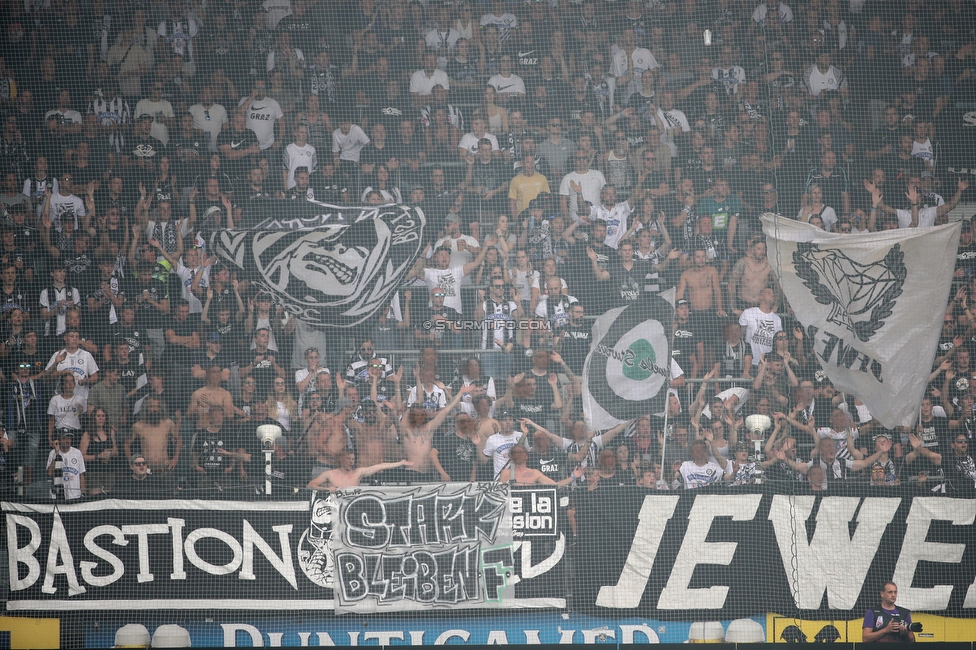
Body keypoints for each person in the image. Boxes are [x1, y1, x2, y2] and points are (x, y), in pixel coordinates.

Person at [306, 448, 414, 491]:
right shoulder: (330, 474)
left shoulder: (358, 473)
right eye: (348, 459)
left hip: (352, 509)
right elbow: (310, 485)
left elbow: (379, 466)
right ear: (342, 459)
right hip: (334, 509)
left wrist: (400, 463)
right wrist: (327, 490)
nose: (351, 461)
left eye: (353, 459)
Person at [47, 431, 85, 499]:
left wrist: (83, 494)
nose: (67, 441)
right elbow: (50, 473)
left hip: (75, 496)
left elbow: (81, 475)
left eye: (69, 438)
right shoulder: (52, 453)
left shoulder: (77, 453)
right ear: (59, 440)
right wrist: (56, 453)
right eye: (64, 438)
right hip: (57, 496)